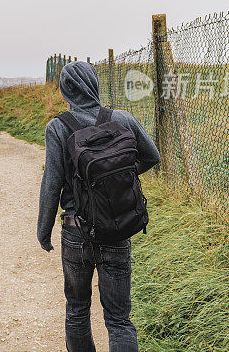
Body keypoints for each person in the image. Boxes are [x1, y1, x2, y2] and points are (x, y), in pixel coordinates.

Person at [37, 61, 160, 352]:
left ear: (66, 90)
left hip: (75, 231)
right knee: (119, 320)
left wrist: (43, 231)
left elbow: (51, 184)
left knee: (77, 310)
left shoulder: (57, 128)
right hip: (117, 228)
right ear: (95, 85)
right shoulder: (122, 119)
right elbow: (152, 156)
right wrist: (117, 180)